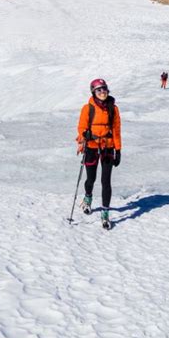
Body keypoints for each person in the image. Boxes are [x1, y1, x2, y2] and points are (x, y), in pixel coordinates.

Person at [76, 78, 122, 229]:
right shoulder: (87, 108)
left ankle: (105, 212)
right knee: (91, 178)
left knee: (106, 181)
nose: (103, 92)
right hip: (91, 146)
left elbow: (116, 130)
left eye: (105, 89)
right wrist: (85, 135)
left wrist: (118, 149)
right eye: (99, 90)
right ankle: (88, 197)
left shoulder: (113, 109)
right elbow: (82, 127)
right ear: (93, 92)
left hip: (107, 147)